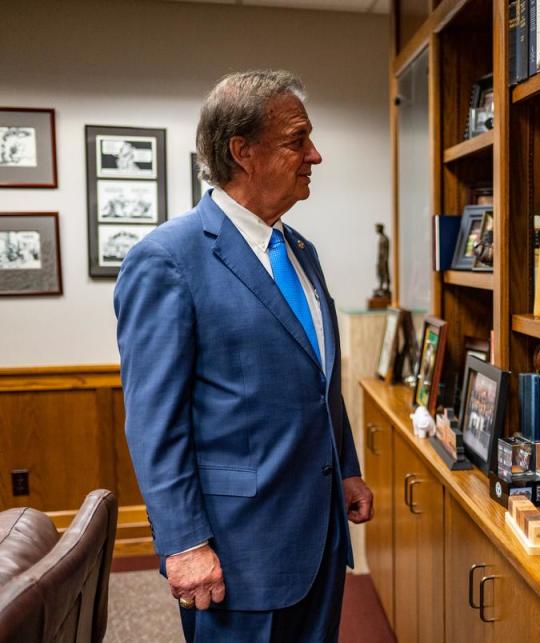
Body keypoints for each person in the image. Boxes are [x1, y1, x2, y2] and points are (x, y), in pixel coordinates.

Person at [114, 70, 373, 642]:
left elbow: (318, 380)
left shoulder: (300, 251)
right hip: (236, 553)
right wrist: (183, 543)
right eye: (297, 140)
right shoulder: (167, 260)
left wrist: (347, 470)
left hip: (321, 537)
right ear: (242, 152)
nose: (316, 155)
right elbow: (154, 423)